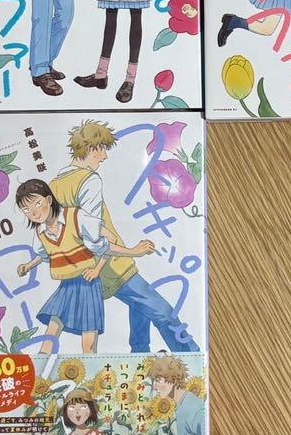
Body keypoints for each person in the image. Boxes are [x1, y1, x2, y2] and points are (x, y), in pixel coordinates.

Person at [51, 120, 199, 353]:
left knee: (140, 312)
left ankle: (140, 358)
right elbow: (92, 236)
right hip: (110, 264)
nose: (104, 157)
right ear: (89, 147)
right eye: (101, 149)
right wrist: (133, 251)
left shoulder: (54, 185)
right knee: (163, 313)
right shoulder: (88, 180)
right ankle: (191, 358)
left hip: (81, 266)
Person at [14, 179, 154, 354]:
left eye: (37, 203)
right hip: (67, 285)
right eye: (26, 209)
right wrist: (28, 265)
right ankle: (40, 370)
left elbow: (107, 243)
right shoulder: (40, 231)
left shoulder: (75, 217)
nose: (33, 212)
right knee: (51, 333)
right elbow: (45, 254)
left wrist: (103, 266)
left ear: (49, 200)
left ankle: (89, 370)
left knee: (88, 343)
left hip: (88, 283)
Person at [147, 355, 205, 435]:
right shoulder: (182, 403)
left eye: (158, 380)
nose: (154, 387)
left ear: (173, 380)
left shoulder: (193, 408)